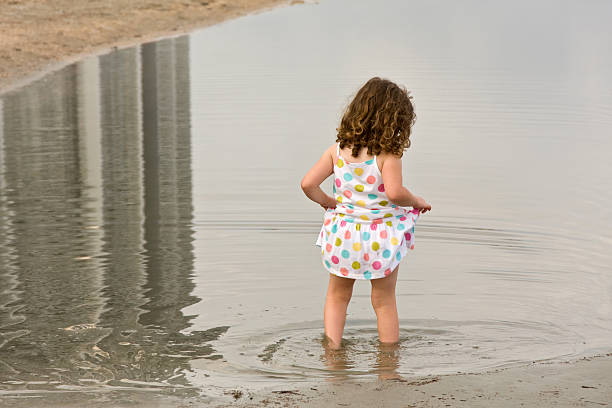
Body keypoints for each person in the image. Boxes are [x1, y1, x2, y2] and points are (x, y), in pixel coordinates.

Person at [301, 77, 431, 350]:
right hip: (380, 237)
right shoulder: (388, 156)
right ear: (395, 121)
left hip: (343, 236)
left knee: (337, 297)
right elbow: (395, 193)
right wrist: (416, 200)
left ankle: (332, 353)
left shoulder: (336, 152)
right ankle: (388, 362)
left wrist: (329, 202)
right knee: (383, 301)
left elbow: (307, 184)